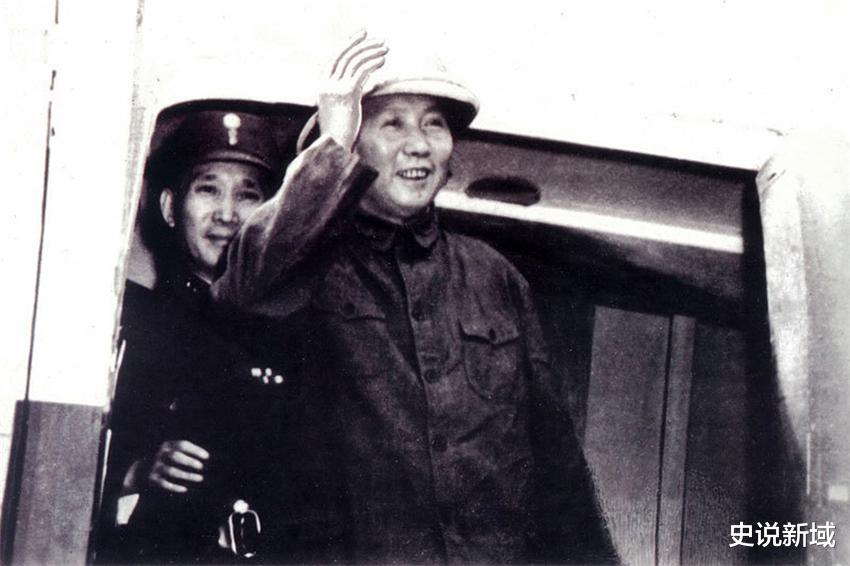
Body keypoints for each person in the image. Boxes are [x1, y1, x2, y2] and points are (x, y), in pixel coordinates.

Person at [212, 33, 618, 564]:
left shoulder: (494, 276)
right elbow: (245, 292)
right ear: (353, 143)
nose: (419, 144)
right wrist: (330, 146)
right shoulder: (308, 266)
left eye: (434, 123)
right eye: (393, 123)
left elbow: (558, 465)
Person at [98, 109, 343, 564]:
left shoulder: (307, 330)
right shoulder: (121, 319)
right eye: (208, 189)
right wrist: (137, 471)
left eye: (248, 195)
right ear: (169, 208)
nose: (227, 215)